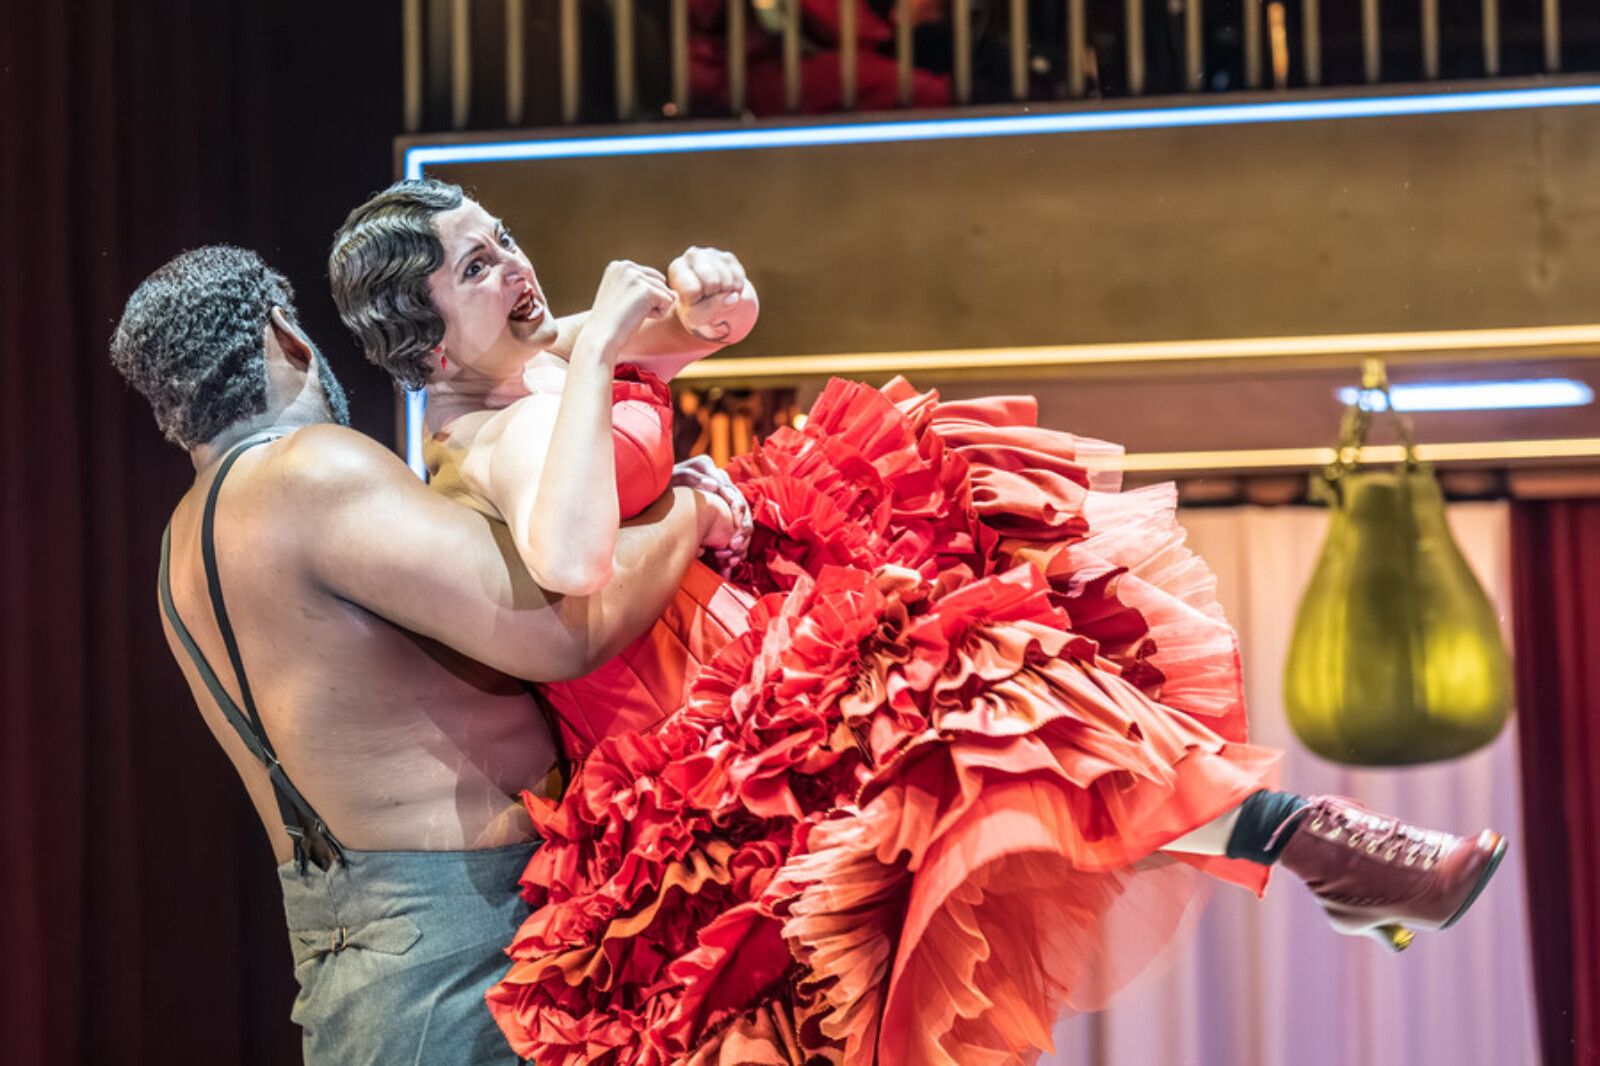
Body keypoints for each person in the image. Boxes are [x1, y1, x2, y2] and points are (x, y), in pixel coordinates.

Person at [329, 180, 1508, 1066]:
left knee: (1032, 709)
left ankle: (1315, 845)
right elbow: (570, 557)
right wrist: (653, 440)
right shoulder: (481, 441)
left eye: (501, 237)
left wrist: (710, 301)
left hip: (765, 644)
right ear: (428, 343)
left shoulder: (538, 359)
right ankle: (1321, 850)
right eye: (477, 265)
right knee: (1008, 724)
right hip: (698, 738)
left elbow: (697, 327)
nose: (513, 263)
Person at [108, 245, 746, 1065]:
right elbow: (560, 630)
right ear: (287, 336)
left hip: (349, 955)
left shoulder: (180, 550)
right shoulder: (312, 471)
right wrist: (688, 509)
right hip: (461, 941)